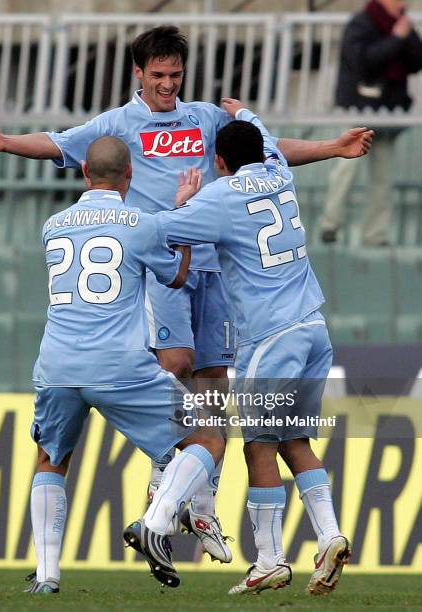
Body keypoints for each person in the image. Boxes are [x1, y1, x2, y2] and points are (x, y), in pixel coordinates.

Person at [0, 25, 372, 562]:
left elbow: (263, 152)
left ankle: (200, 505)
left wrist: (331, 148)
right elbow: (59, 143)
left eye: (174, 75)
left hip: (216, 267)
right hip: (166, 265)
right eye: (157, 75)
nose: (166, 84)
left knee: (213, 384)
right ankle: (165, 479)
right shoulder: (118, 124)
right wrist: (4, 143)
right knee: (175, 361)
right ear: (139, 73)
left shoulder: (204, 117)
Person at [157, 113, 356, 596]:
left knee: (257, 446)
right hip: (313, 328)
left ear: (220, 161)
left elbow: (162, 230)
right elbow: (265, 139)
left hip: (270, 338)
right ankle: (329, 535)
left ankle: (269, 559)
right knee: (295, 442)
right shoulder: (278, 174)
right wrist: (245, 112)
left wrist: (183, 201)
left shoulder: (221, 196)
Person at [25, 135, 224, 593]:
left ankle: (48, 576)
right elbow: (175, 277)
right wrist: (182, 216)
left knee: (51, 458)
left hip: (56, 363)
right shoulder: (140, 221)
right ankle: (155, 522)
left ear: (83, 173)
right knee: (209, 437)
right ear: (129, 175)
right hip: (118, 365)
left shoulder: (53, 225)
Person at [321, 0, 422, 246]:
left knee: (383, 176)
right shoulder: (362, 23)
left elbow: (416, 61)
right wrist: (396, 39)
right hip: (359, 109)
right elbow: (363, 62)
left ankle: (375, 234)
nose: (404, 3)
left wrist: (404, 37)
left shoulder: (402, 25)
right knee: (347, 168)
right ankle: (330, 224)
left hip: (388, 114)